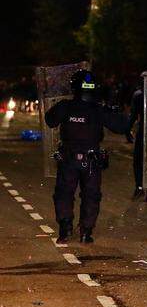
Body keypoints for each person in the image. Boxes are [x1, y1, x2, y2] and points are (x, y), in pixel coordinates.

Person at [45, 70, 129, 244]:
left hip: (68, 159)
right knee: (91, 195)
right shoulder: (98, 109)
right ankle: (85, 232)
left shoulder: (65, 106)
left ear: (74, 87)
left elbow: (50, 120)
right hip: (91, 161)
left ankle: (65, 229)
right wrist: (115, 109)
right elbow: (122, 127)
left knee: (64, 194)